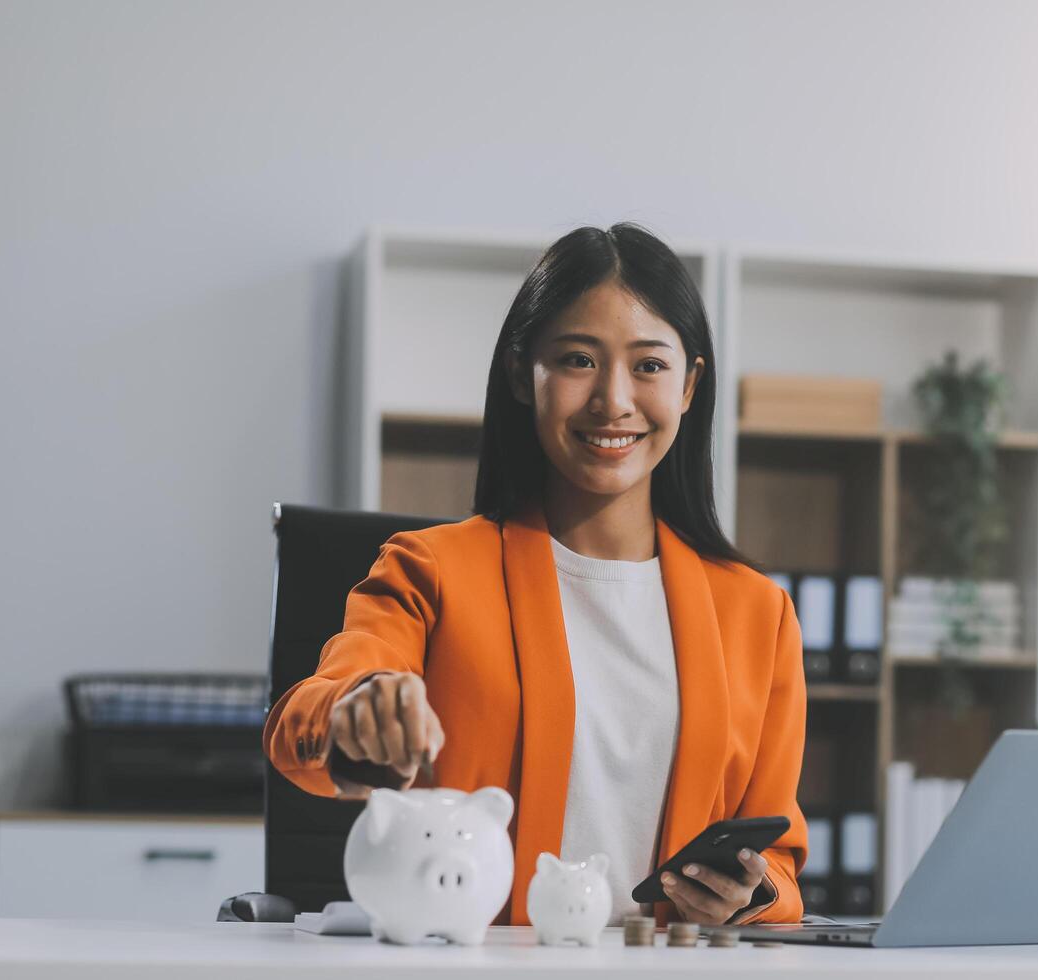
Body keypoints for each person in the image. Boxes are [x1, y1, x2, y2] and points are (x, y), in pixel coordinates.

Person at [263, 222, 807, 928]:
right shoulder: (430, 570)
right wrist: (356, 716)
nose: (614, 400)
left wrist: (751, 894)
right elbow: (302, 726)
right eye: (578, 360)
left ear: (689, 386)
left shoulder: (757, 614)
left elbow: (784, 866)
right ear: (524, 372)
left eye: (648, 365)